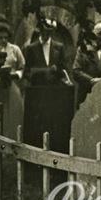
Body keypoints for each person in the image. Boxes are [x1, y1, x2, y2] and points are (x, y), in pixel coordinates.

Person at [22, 17, 73, 151]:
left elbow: (63, 69)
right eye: (45, 31)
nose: (47, 35)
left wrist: (64, 79)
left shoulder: (59, 47)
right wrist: (42, 72)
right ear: (40, 30)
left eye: (50, 32)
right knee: (37, 127)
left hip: (54, 94)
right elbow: (26, 72)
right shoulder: (31, 48)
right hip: (37, 94)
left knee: (53, 125)